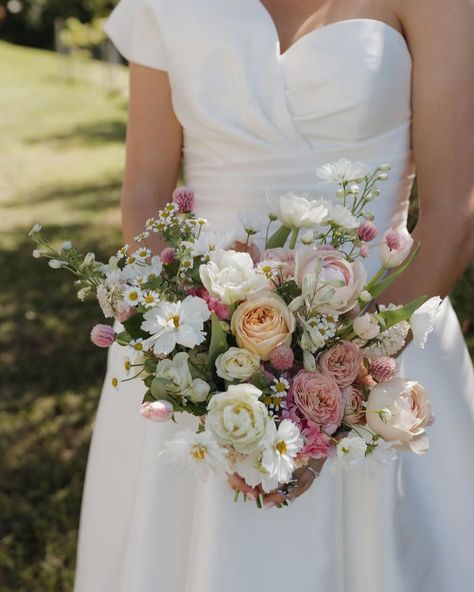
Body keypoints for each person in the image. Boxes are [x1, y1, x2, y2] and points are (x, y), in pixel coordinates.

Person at [74, 1, 474, 591]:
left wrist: (346, 375)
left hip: (389, 340)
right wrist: (192, 352)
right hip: (192, 345)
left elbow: (451, 212)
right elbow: (146, 194)